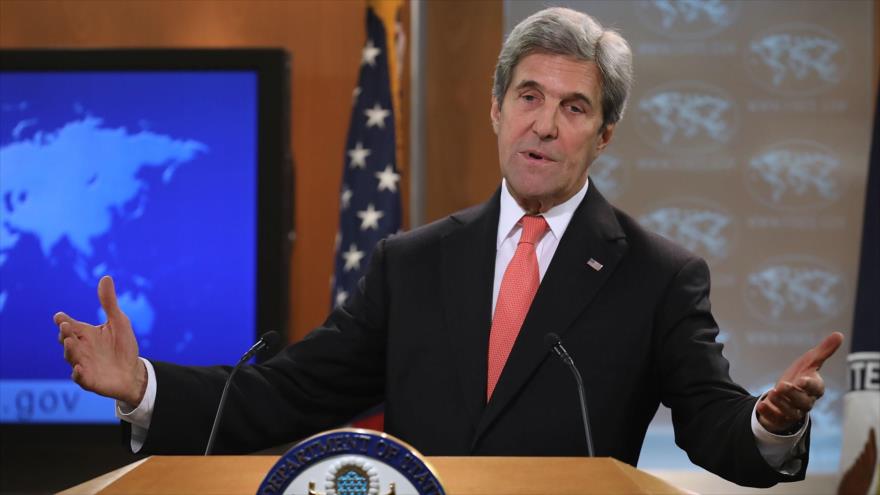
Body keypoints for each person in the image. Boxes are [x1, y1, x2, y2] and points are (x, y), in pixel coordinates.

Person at [53, 7, 843, 487]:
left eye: (573, 107)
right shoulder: (414, 261)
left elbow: (713, 426)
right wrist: (144, 385)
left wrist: (770, 424)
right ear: (495, 109)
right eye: (528, 96)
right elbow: (288, 393)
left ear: (603, 136)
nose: (543, 123)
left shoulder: (658, 274)